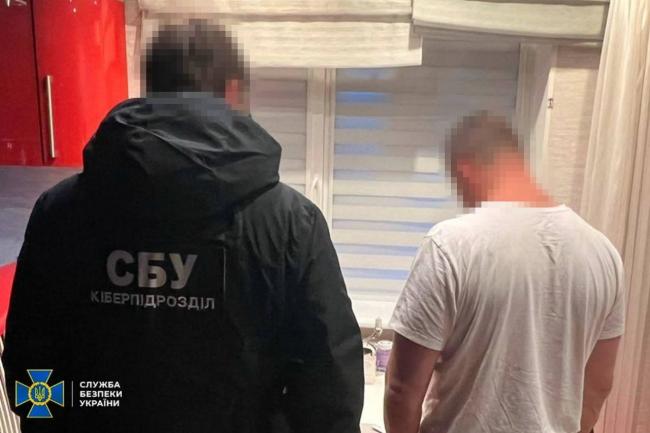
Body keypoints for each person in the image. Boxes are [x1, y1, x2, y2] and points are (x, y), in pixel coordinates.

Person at [3, 20, 363, 433]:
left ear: (149, 89)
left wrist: (96, 399)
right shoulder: (291, 224)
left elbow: (29, 378)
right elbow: (331, 396)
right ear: (232, 92)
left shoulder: (59, 213)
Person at [384, 113, 625, 433]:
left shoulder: (450, 245)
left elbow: (402, 391)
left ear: (466, 169)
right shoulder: (603, 254)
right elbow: (598, 386)